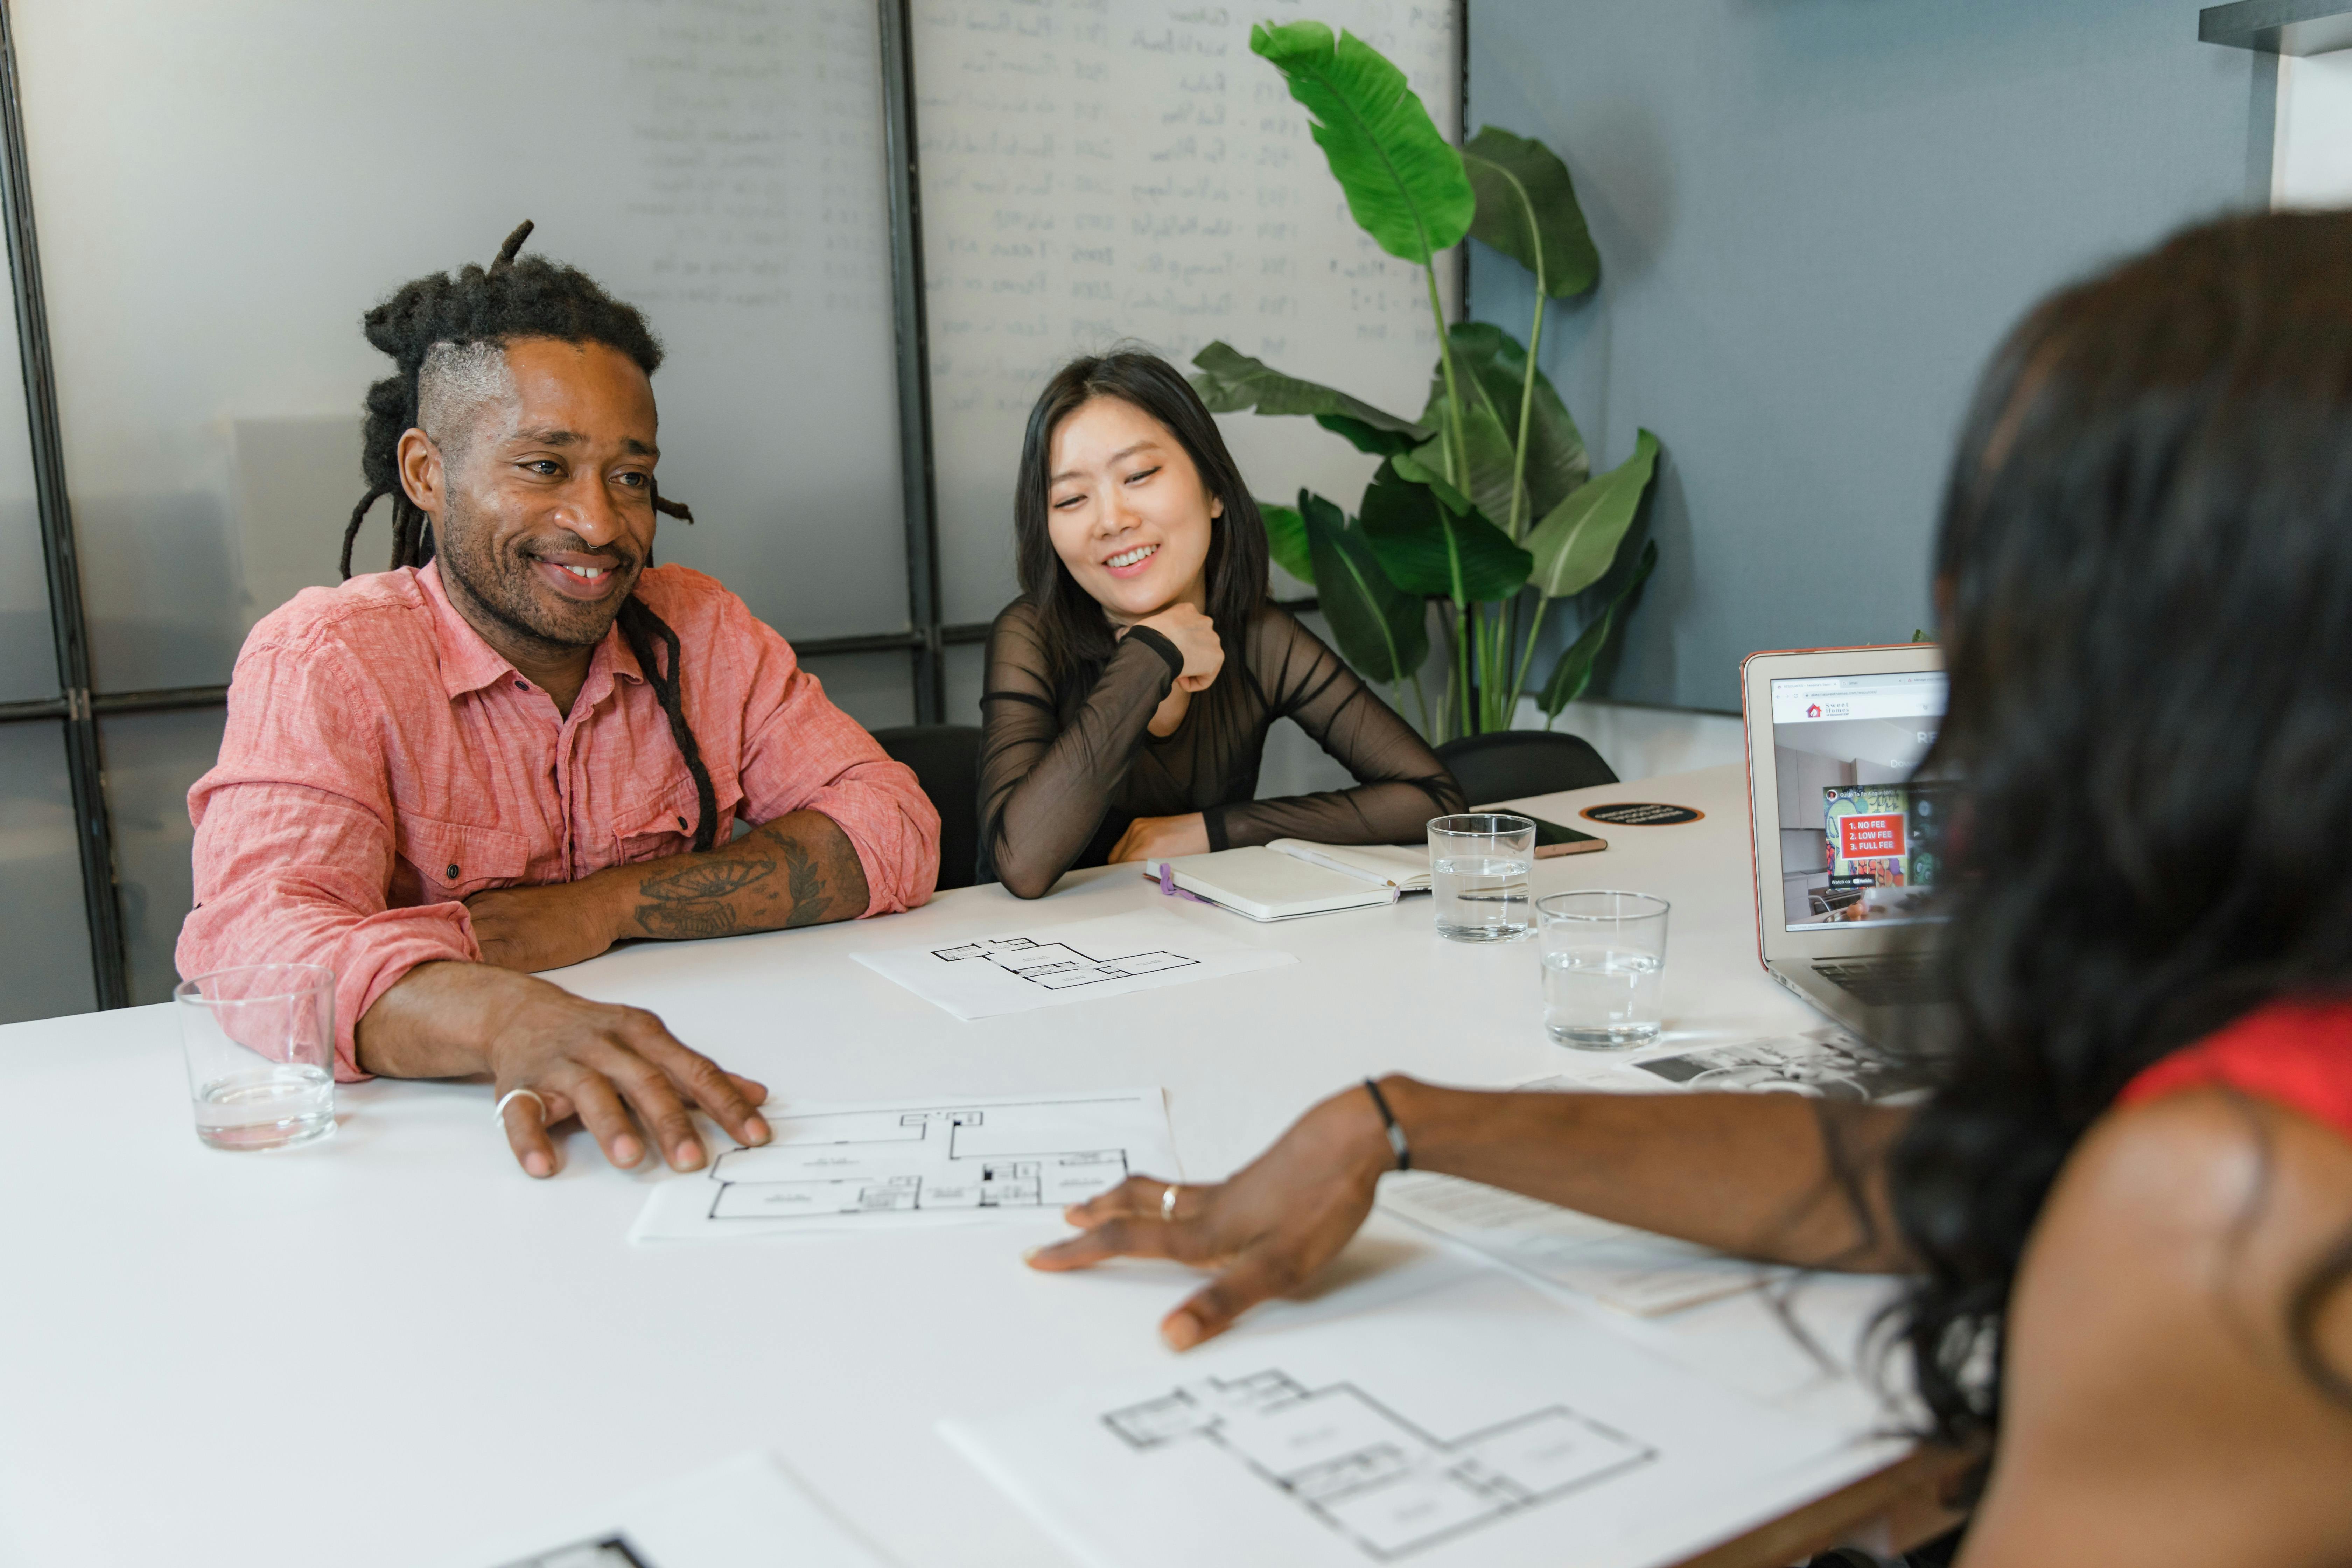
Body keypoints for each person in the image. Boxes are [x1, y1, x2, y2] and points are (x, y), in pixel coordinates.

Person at [1029, 212, 2352, 1560]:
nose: (1958, 649)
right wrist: (1403, 1120)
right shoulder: (2247, 1062)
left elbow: (1425, 795)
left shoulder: (2232, 1203)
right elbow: (1950, 1178)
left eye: (2016, 586)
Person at [178, 224, 940, 1179]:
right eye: (543, 466)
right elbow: (260, 953)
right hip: (439, 1161)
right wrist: (504, 1013)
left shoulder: (697, 626)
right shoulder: (328, 658)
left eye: (631, 477)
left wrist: (602, 909)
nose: (599, 522)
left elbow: (893, 829)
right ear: (427, 472)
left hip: (722, 1107)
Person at [978, 350, 1464, 897]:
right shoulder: (1031, 636)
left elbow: (1433, 798)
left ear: (1213, 489)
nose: (1112, 520)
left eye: (1138, 475)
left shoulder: (1257, 637)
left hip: (1204, 950)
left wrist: (1218, 830)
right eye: (1071, 499)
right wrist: (1153, 652)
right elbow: (1020, 865)